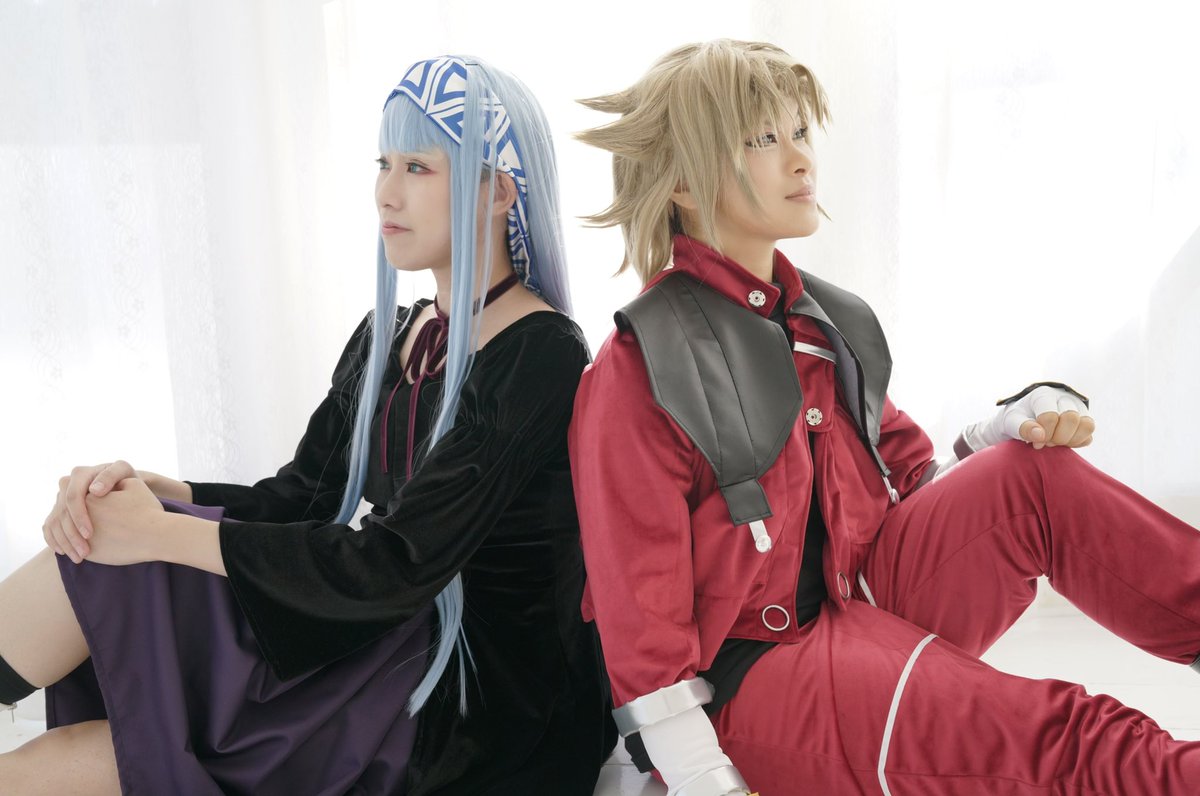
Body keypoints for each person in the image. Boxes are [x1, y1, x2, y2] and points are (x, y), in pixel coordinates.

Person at [570, 38, 1200, 795]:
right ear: (681, 181)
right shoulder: (641, 364)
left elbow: (910, 478)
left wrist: (1007, 430)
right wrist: (700, 774)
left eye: (799, 131)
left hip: (858, 593)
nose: (801, 159)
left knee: (1035, 478)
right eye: (763, 139)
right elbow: (637, 605)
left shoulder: (820, 320)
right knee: (1064, 739)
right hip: (752, 673)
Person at [0, 55, 615, 795]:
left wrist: (160, 533)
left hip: (475, 699)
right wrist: (168, 494)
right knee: (102, 539)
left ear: (499, 191)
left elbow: (396, 565)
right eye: (383, 163)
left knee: (121, 687)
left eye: (418, 167)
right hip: (380, 635)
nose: (386, 191)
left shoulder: (540, 352)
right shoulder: (391, 334)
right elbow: (304, 496)